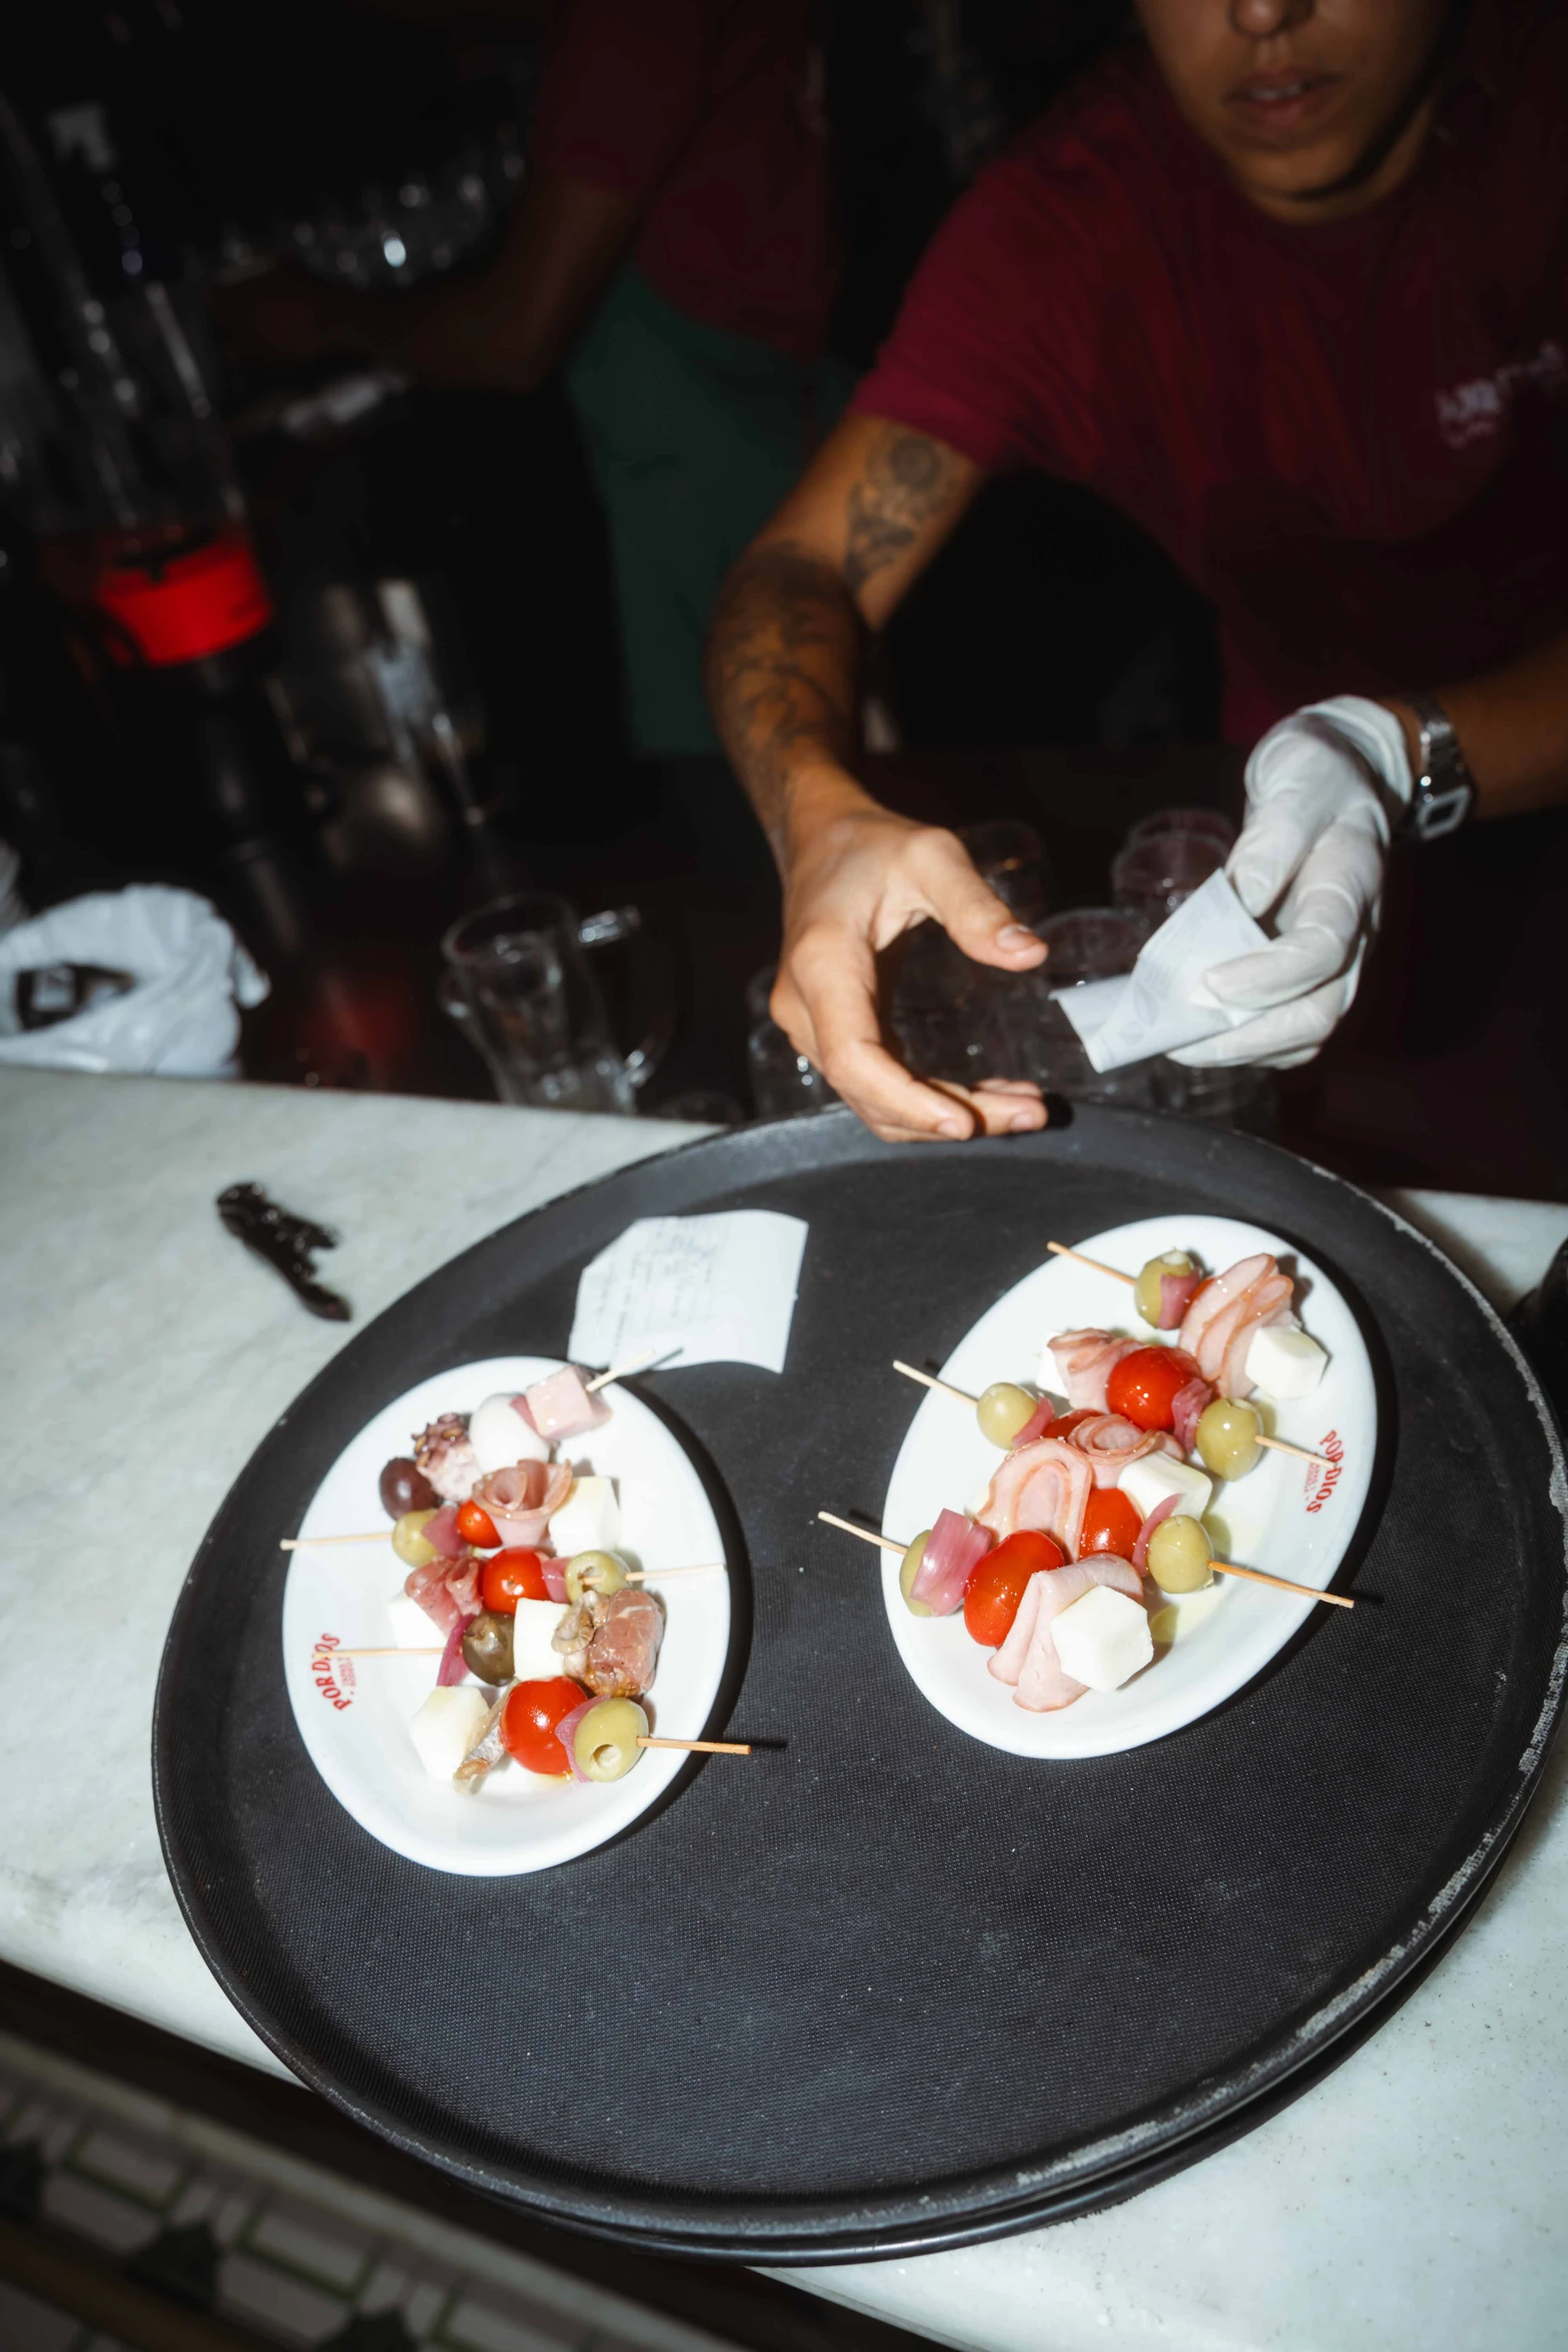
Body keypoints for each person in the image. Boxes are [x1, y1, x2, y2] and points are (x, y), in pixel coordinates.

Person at [706, 0, 1568, 1145]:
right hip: (1278, 839)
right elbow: (801, 563)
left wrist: (1391, 753)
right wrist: (815, 814)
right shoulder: (1071, 219)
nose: (1261, 13)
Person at [220, 0, 843, 758]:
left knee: (745, 763)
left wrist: (317, 317)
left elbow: (515, 337)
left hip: (717, 463)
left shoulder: (631, 22)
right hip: (766, 416)